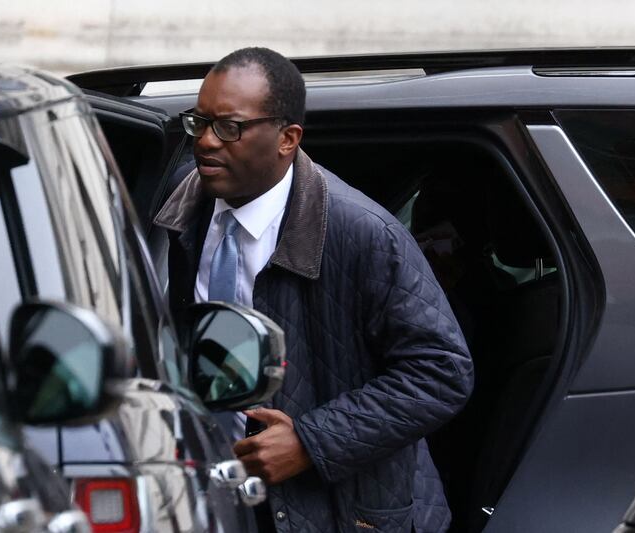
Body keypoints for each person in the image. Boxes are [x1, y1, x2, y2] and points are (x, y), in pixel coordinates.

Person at [154, 47, 474, 533]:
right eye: (198, 121)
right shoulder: (188, 203)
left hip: (338, 510)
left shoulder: (362, 233)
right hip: (220, 487)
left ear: (287, 138)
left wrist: (310, 441)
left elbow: (442, 372)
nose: (204, 141)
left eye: (228, 127)